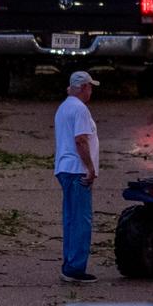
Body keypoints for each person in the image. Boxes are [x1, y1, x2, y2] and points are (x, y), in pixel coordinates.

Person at [54, 71, 100, 283]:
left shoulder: (64, 107)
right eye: (90, 87)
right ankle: (75, 267)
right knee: (81, 220)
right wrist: (90, 168)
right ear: (83, 88)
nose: (91, 91)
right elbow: (80, 140)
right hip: (77, 169)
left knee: (71, 218)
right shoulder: (80, 109)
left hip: (64, 168)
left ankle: (69, 263)